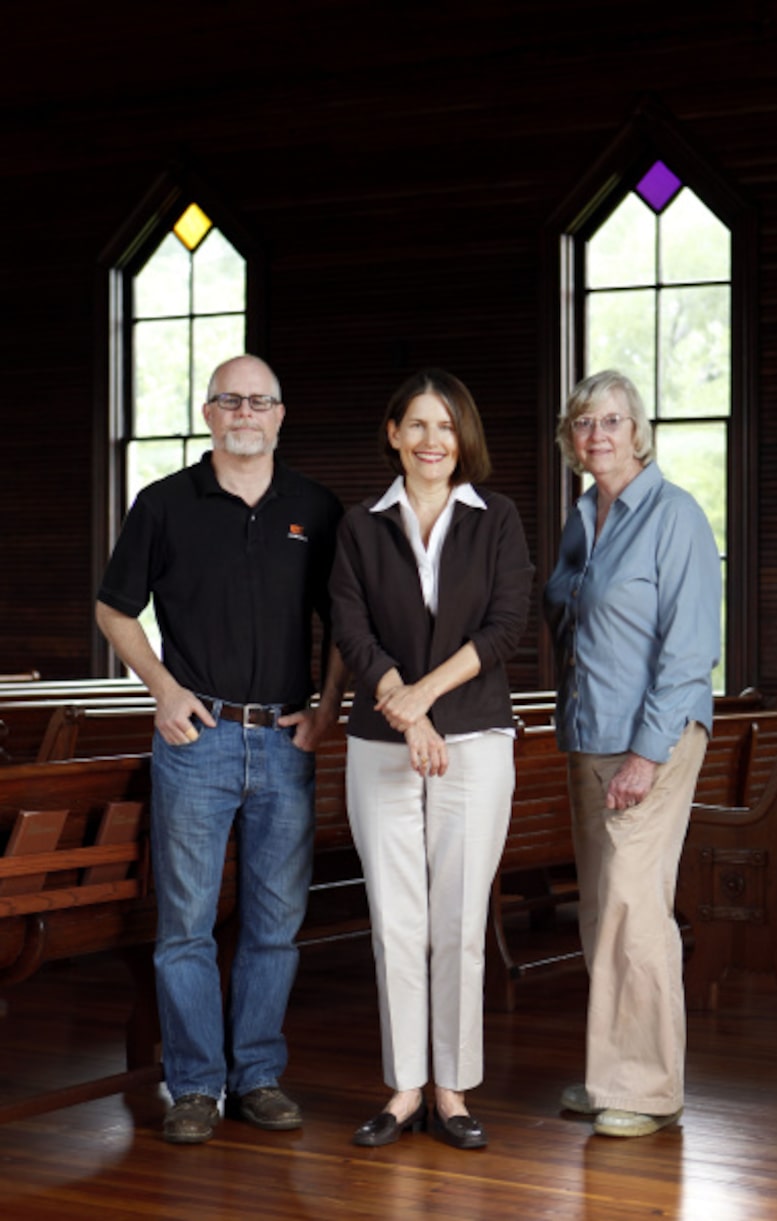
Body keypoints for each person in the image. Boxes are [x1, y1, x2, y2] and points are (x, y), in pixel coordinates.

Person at [96, 354, 346, 1145]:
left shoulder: (317, 507)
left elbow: (345, 624)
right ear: (208, 413)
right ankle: (196, 1085)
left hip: (284, 741)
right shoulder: (164, 504)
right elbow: (114, 610)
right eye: (230, 400)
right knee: (185, 928)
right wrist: (164, 690)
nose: (245, 412)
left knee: (276, 922)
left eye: (260, 401)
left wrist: (328, 709)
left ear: (280, 414)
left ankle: (259, 1076)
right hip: (196, 743)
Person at [330, 368, 533, 1150]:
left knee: (456, 918)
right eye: (416, 425)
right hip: (380, 743)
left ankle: (452, 1088)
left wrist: (424, 700)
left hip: (477, 738)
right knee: (395, 919)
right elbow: (351, 629)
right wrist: (399, 704)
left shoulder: (498, 519)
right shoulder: (359, 527)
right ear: (393, 434)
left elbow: (506, 627)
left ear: (463, 437)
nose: (431, 440)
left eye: (444, 426)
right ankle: (405, 1085)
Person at [543, 369, 721, 1138]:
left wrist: (647, 755)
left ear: (638, 429)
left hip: (653, 739)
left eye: (612, 420)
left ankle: (647, 1086)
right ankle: (610, 1066)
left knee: (634, 906)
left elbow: (689, 651)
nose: (598, 435)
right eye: (584, 422)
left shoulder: (675, 515)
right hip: (590, 736)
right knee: (601, 909)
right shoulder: (584, 518)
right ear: (570, 438)